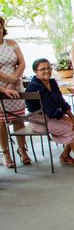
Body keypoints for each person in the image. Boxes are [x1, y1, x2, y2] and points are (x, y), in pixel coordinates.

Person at [25, 59, 74, 168]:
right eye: (43, 69)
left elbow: (61, 102)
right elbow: (51, 110)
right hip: (39, 119)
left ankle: (65, 155)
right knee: (71, 127)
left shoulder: (52, 82)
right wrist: (69, 121)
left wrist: (72, 117)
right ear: (35, 71)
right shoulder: (35, 86)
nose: (47, 71)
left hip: (52, 116)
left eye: (48, 68)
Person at [0, 16, 30, 168]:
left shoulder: (11, 43)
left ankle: (22, 149)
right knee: (1, 124)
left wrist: (15, 78)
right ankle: (6, 153)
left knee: (19, 120)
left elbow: (22, 62)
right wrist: (6, 81)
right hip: (1, 88)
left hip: (16, 86)